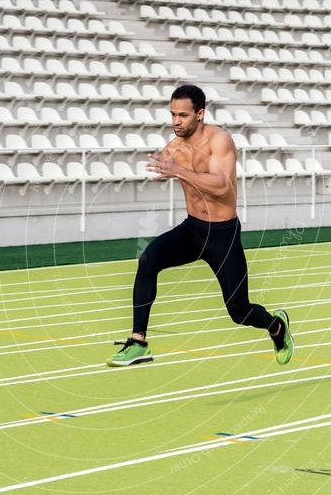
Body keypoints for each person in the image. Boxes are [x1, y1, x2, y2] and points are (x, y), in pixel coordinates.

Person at [107, 84, 294, 367]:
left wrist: (179, 171)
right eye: (172, 115)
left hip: (223, 236)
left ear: (200, 114)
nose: (176, 121)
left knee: (239, 311)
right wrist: (169, 172)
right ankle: (138, 343)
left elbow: (220, 186)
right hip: (192, 231)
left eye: (182, 115)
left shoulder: (220, 141)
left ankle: (276, 327)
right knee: (148, 260)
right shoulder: (174, 148)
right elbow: (178, 173)